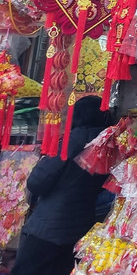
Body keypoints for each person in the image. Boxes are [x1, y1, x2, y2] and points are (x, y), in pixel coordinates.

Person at [11, 96, 114, 275]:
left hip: (48, 229)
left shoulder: (71, 141)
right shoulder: (108, 144)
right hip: (80, 230)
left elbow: (37, 181)